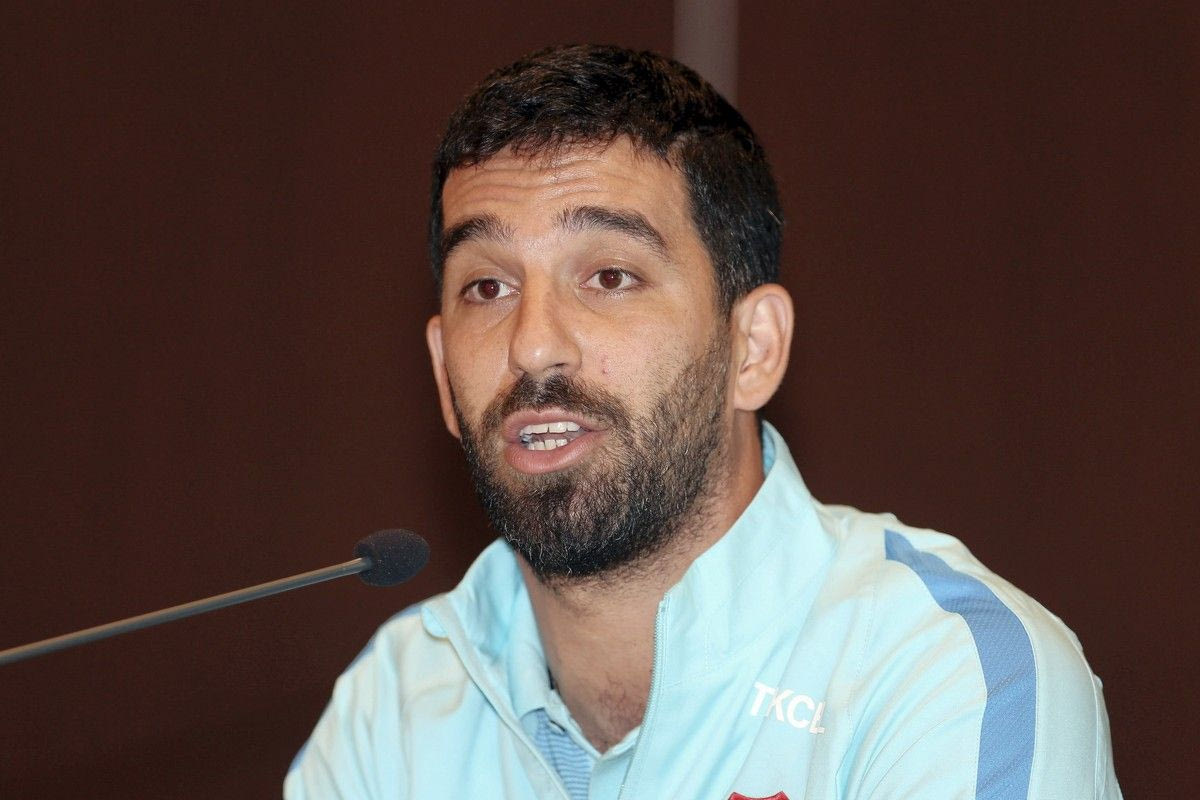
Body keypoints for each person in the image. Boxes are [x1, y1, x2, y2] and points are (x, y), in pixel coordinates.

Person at [285, 44, 1121, 799]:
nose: (532, 345)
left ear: (752, 348)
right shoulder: (395, 710)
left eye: (609, 277)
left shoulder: (945, 676)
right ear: (442, 373)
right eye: (488, 287)